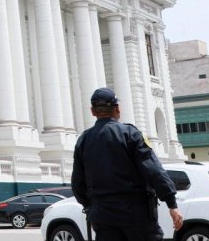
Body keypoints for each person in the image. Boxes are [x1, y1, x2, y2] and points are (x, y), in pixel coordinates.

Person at [72, 87, 183, 241]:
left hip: (103, 216)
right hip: (136, 215)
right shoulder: (130, 134)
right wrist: (172, 204)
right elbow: (153, 171)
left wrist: (91, 207)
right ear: (117, 108)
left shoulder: (83, 140)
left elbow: (77, 184)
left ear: (93, 111)